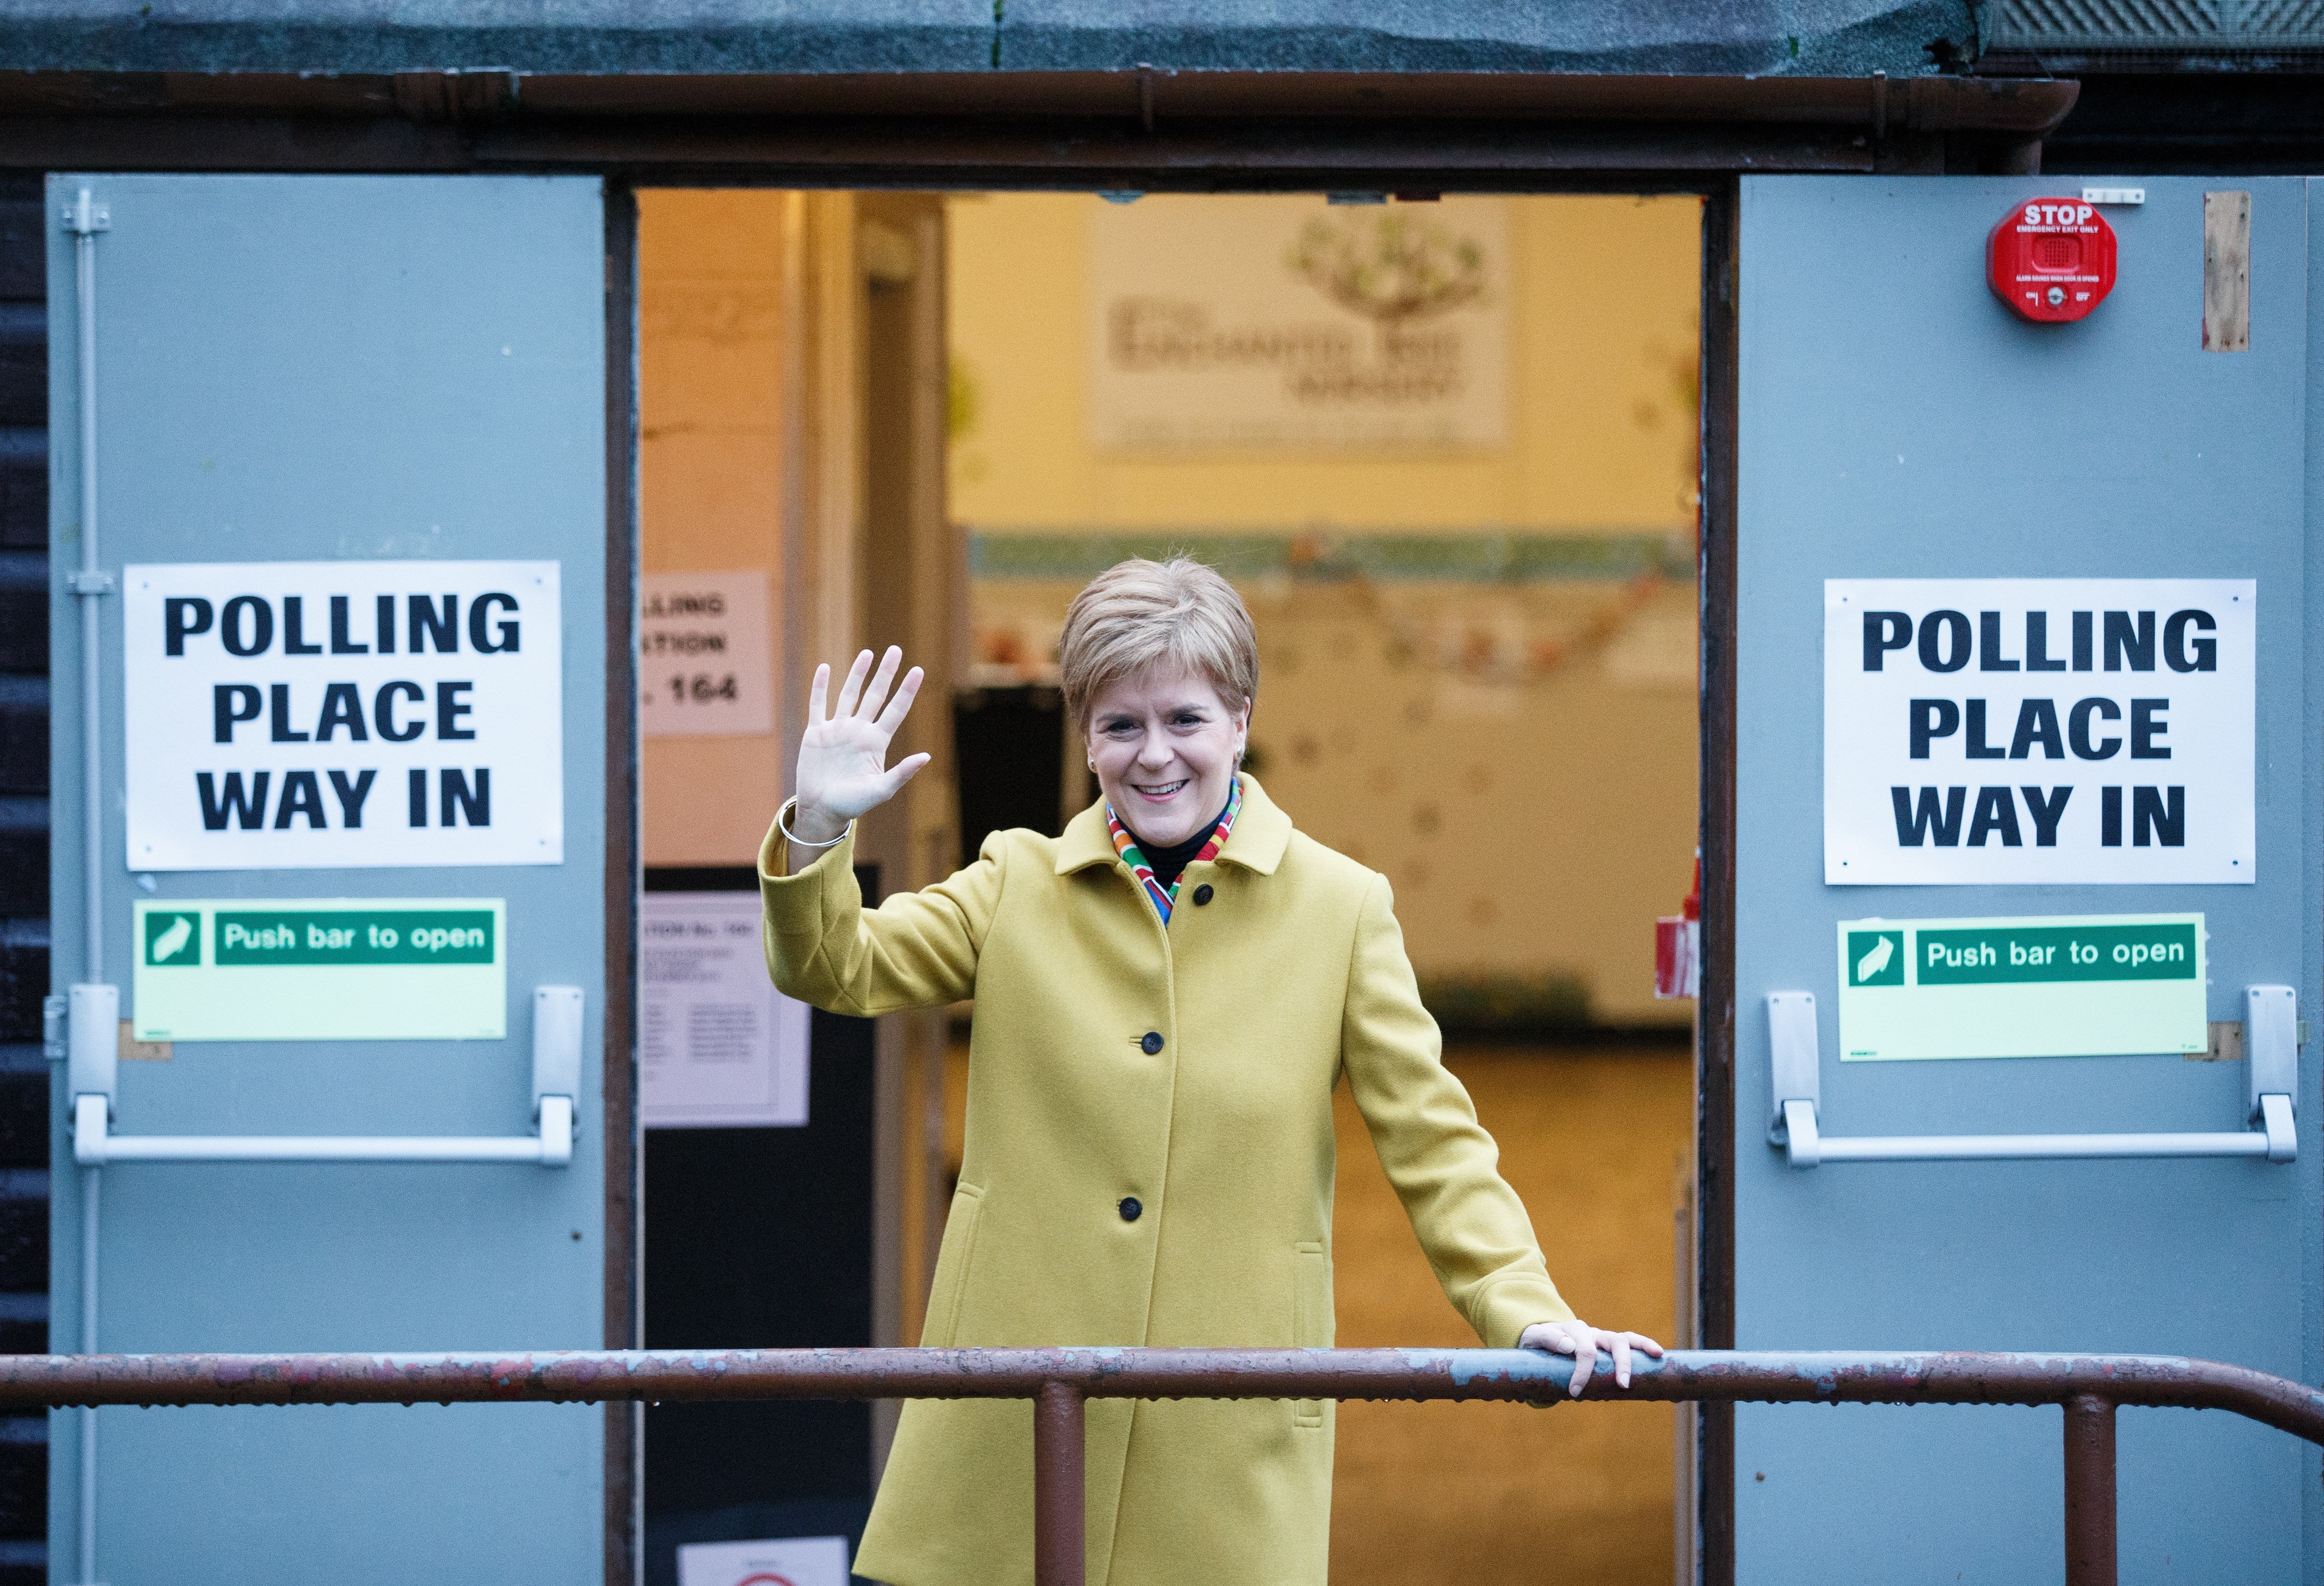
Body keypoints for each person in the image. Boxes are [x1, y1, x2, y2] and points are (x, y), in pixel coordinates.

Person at [759, 556, 1659, 1586]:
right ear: (1085, 736)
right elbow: (833, 967)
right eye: (1120, 724)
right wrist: (818, 827)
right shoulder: (1013, 881)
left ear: (1240, 719)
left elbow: (1434, 1143)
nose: (1154, 755)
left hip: (1228, 1434)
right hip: (1014, 1425)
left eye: (1184, 718)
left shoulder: (1341, 908)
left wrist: (1521, 1301)